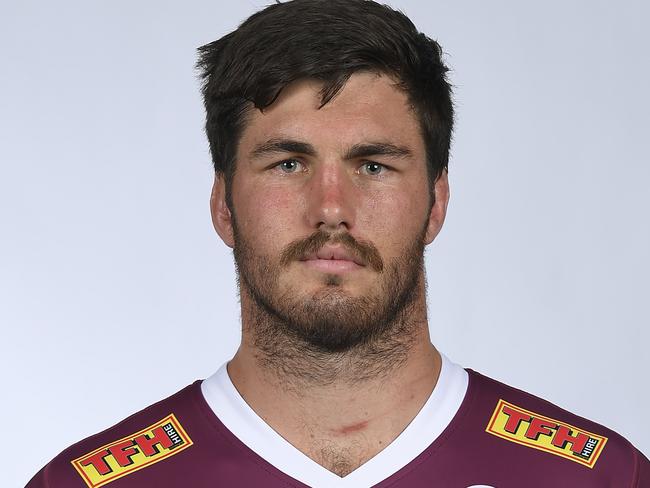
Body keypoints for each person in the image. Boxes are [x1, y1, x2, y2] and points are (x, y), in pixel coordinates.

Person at [27, 1, 649, 487]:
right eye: (288, 164)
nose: (331, 209)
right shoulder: (86, 484)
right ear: (223, 204)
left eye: (373, 165)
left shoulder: (596, 478)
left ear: (436, 202)